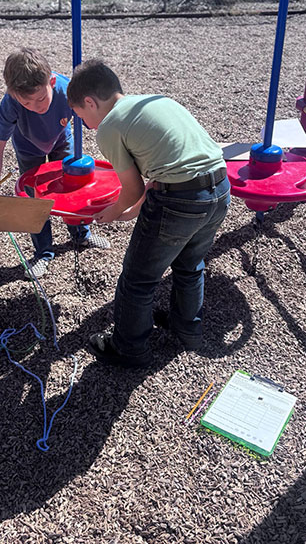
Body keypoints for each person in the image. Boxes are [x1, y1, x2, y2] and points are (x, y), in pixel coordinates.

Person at [67, 59, 230, 368]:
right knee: (190, 264)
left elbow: (130, 188)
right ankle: (188, 329)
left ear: (90, 102)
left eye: (81, 116)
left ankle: (129, 348)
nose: (86, 125)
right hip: (219, 190)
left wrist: (112, 212)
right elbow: (164, 170)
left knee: (138, 279)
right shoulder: (156, 101)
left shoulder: (111, 126)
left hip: (180, 201)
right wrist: (134, 210)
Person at [0, 47, 110, 279]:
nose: (36, 106)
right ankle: (43, 252)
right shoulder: (10, 103)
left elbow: (93, 119)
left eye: (41, 99)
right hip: (28, 148)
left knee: (73, 185)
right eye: (28, 104)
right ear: (15, 96)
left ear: (51, 81)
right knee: (35, 198)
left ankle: (81, 234)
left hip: (61, 142)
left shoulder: (68, 91)